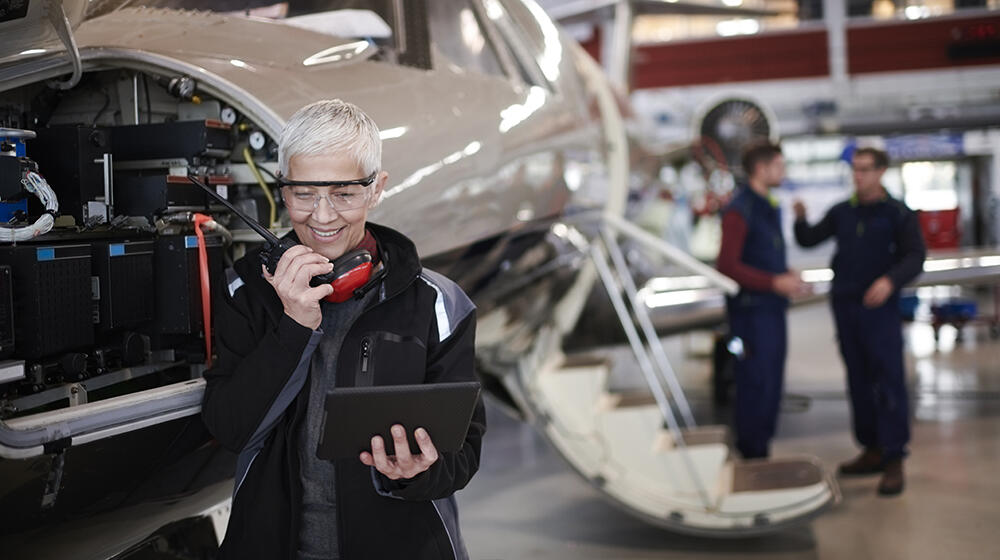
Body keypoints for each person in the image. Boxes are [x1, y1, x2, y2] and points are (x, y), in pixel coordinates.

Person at [201, 99, 486, 559]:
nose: (323, 215)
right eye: (304, 194)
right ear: (282, 191)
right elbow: (230, 428)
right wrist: (294, 325)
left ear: (377, 190)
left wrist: (414, 472)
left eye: (345, 194)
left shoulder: (438, 303)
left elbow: (464, 452)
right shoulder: (246, 290)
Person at [793, 146, 925, 496]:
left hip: (879, 311)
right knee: (859, 381)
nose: (858, 176)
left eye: (865, 170)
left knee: (888, 381)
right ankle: (872, 449)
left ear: (881, 172)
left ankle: (895, 457)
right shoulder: (842, 212)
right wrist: (800, 218)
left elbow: (915, 257)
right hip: (846, 308)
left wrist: (890, 280)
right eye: (854, 169)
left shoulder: (897, 214)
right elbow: (808, 239)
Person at [716, 141, 804, 459]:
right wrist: (773, 281)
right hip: (750, 316)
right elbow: (727, 265)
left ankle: (761, 451)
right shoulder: (740, 210)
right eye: (779, 166)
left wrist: (785, 273)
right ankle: (752, 455)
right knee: (755, 384)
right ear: (761, 169)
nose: (784, 172)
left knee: (771, 385)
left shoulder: (768, 205)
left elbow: (758, 256)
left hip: (771, 309)